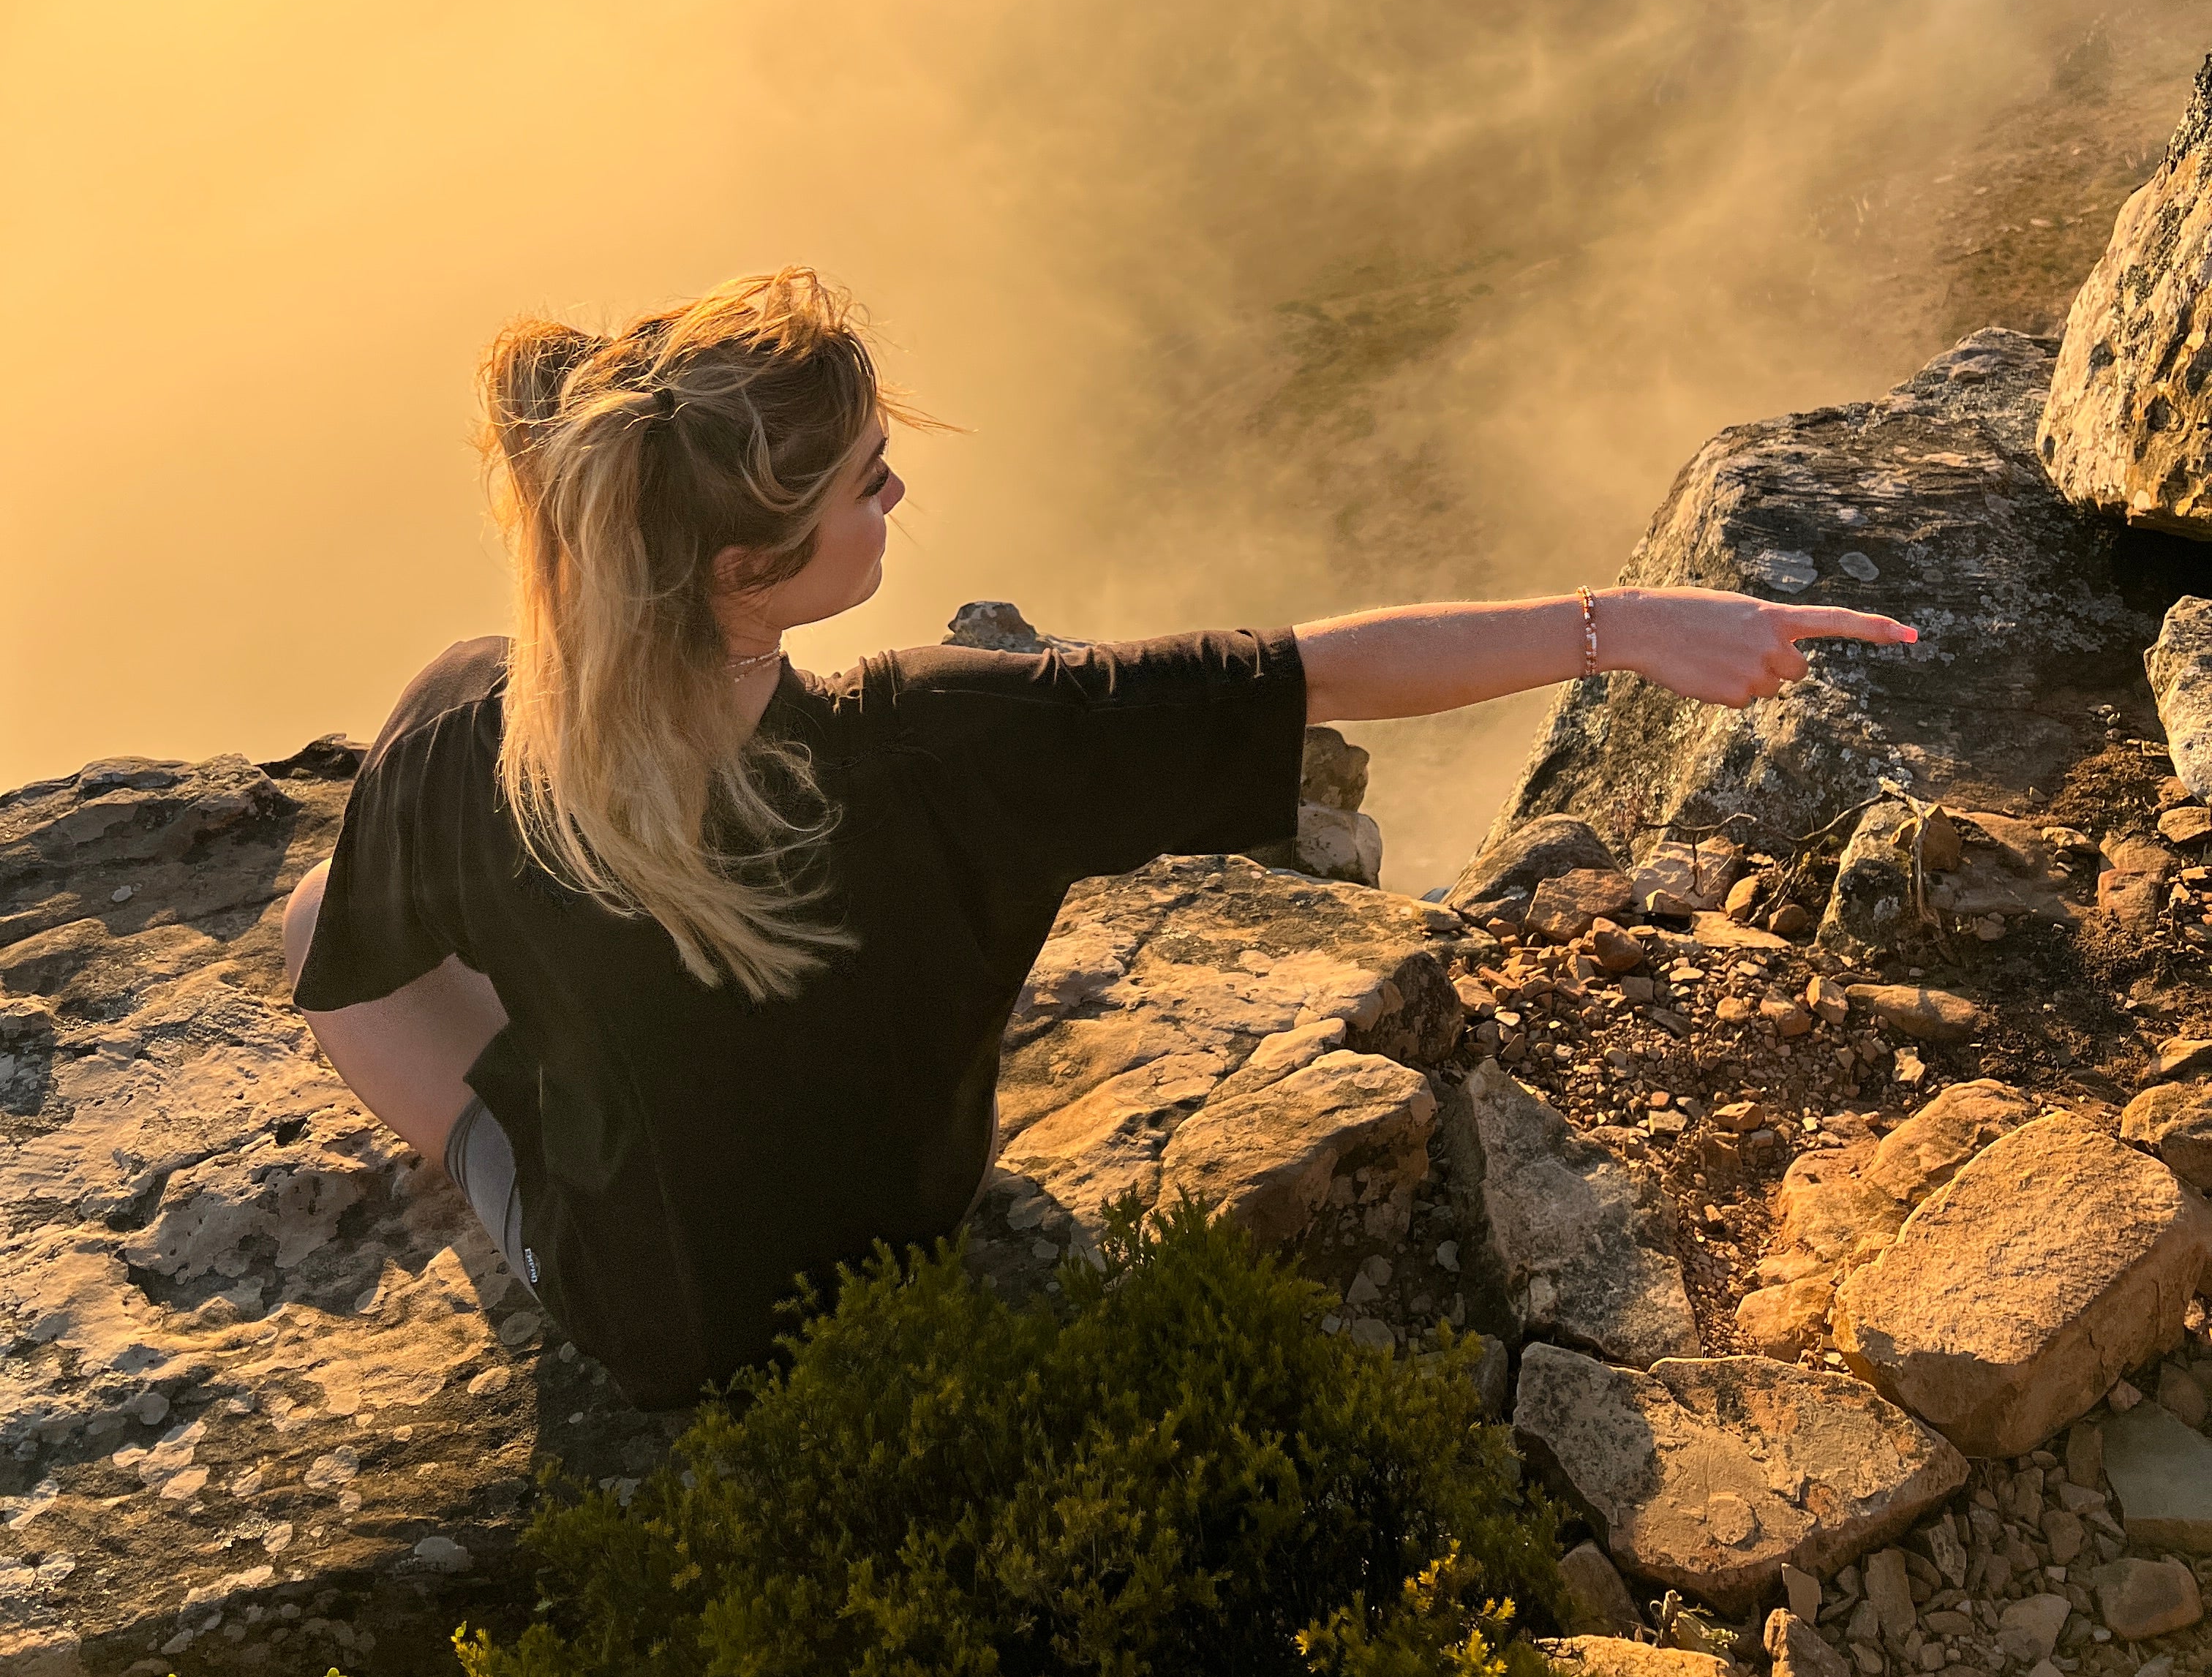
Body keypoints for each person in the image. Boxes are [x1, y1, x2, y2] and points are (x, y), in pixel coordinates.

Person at [286, 265, 1915, 1407]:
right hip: (904, 1242)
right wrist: (1621, 625)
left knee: (320, 932)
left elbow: (363, 965)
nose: (895, 499)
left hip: (658, 1330)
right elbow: (1312, 668)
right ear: (741, 570)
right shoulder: (950, 742)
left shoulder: (465, 768)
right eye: (865, 484)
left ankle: (532, 1104)